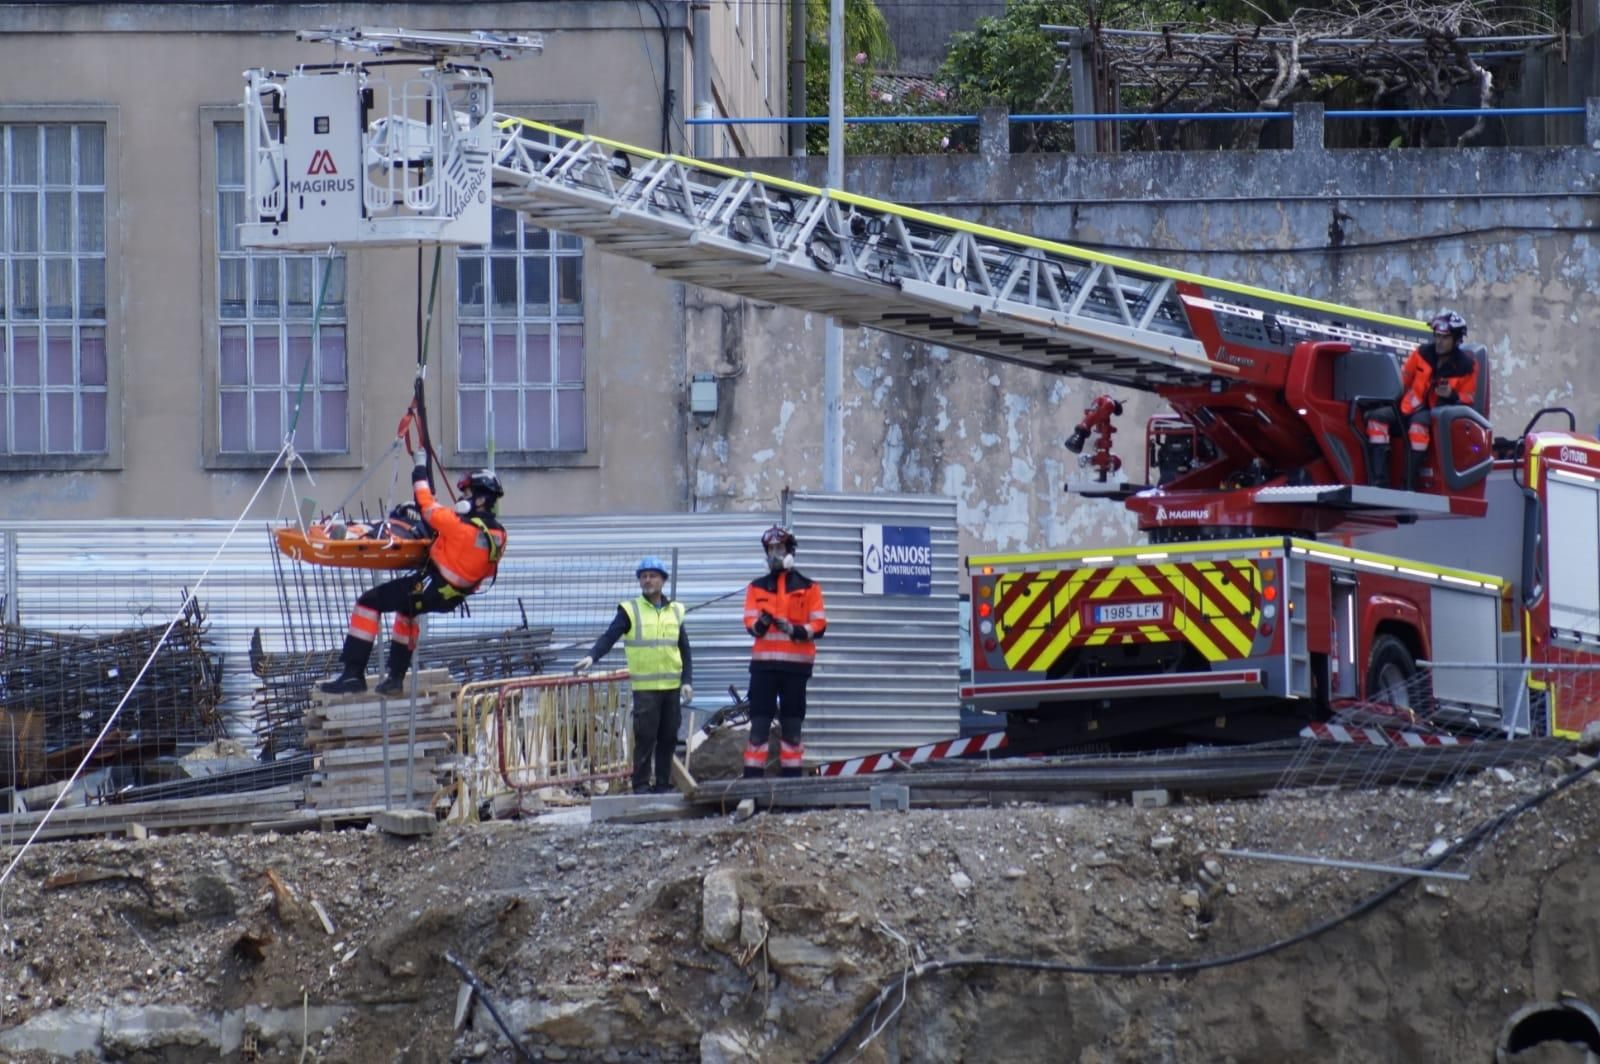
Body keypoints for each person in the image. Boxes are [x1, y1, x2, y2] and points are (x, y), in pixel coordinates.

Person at [319, 451, 507, 696]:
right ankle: (395, 679)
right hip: (453, 597)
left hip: (432, 587)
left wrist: (419, 469)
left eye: (467, 493)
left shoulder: (459, 525)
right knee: (407, 611)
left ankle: (353, 674)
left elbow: (426, 506)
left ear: (480, 500)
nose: (462, 497)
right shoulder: (499, 535)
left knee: (368, 602)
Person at [573, 556, 694, 794]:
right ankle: (640, 784)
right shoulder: (630, 610)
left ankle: (662, 783)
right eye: (643, 576)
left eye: (652, 576)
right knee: (646, 737)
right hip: (646, 689)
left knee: (668, 737)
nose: (647, 580)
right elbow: (610, 636)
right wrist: (592, 656)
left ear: (663, 580)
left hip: (671, 687)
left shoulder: (675, 611)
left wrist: (687, 681)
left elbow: (685, 649)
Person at [742, 525, 827, 778]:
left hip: (795, 670)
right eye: (771, 549)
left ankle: (791, 784)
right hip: (764, 670)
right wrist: (763, 624)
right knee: (758, 727)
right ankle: (752, 782)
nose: (775, 554)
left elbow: (820, 625)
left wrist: (794, 630)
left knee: (792, 728)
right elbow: (750, 624)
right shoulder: (755, 587)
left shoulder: (810, 587)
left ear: (790, 551)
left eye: (780, 548)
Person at [1363, 310, 1479, 490]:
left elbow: (1469, 398)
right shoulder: (1421, 354)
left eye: (1445, 338)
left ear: (1456, 340)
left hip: (1437, 413)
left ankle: (1408, 485)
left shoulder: (1467, 366)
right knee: (1376, 419)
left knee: (1418, 428)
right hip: (1408, 408)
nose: (1439, 341)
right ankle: (1380, 483)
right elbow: (1402, 380)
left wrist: (1452, 395)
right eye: (1437, 336)